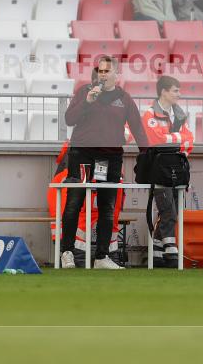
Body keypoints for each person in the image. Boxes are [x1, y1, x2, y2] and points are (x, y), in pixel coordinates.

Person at [60, 56, 151, 270]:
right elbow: (69, 119)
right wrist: (87, 102)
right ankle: (67, 252)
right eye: (100, 71)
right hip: (82, 155)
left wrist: (147, 154)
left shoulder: (124, 98)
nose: (102, 74)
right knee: (74, 202)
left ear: (116, 75)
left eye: (107, 71)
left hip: (108, 158)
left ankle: (101, 256)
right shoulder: (85, 92)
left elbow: (137, 127)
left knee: (106, 207)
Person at [141, 75, 194, 268]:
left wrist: (170, 139)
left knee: (172, 211)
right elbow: (155, 140)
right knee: (168, 211)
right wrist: (178, 139)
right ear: (163, 91)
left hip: (176, 169)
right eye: (175, 90)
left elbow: (190, 141)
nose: (179, 94)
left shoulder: (179, 114)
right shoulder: (149, 114)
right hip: (158, 170)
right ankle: (170, 249)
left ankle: (156, 253)